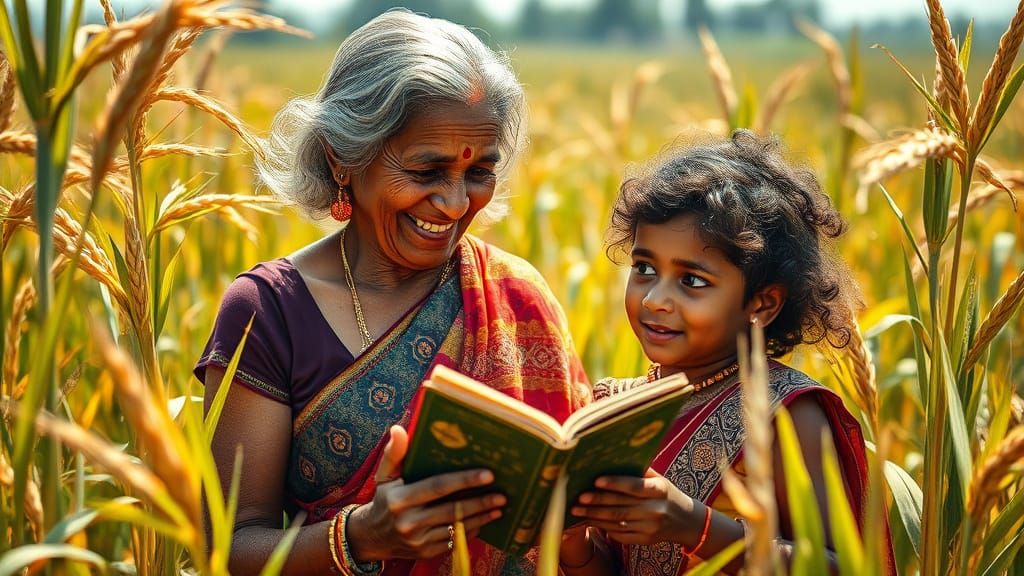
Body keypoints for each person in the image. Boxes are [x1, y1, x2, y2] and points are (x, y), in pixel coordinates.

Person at [195, 10, 592, 574]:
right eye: (427, 171)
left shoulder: (518, 294)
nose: (456, 204)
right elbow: (229, 549)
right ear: (342, 158)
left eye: (479, 170)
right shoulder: (269, 312)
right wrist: (361, 536)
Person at [561, 130, 894, 574]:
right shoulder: (615, 406)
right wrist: (572, 542)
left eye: (692, 281)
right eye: (644, 268)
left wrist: (695, 526)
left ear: (762, 303)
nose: (655, 299)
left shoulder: (788, 414)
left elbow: (841, 567)